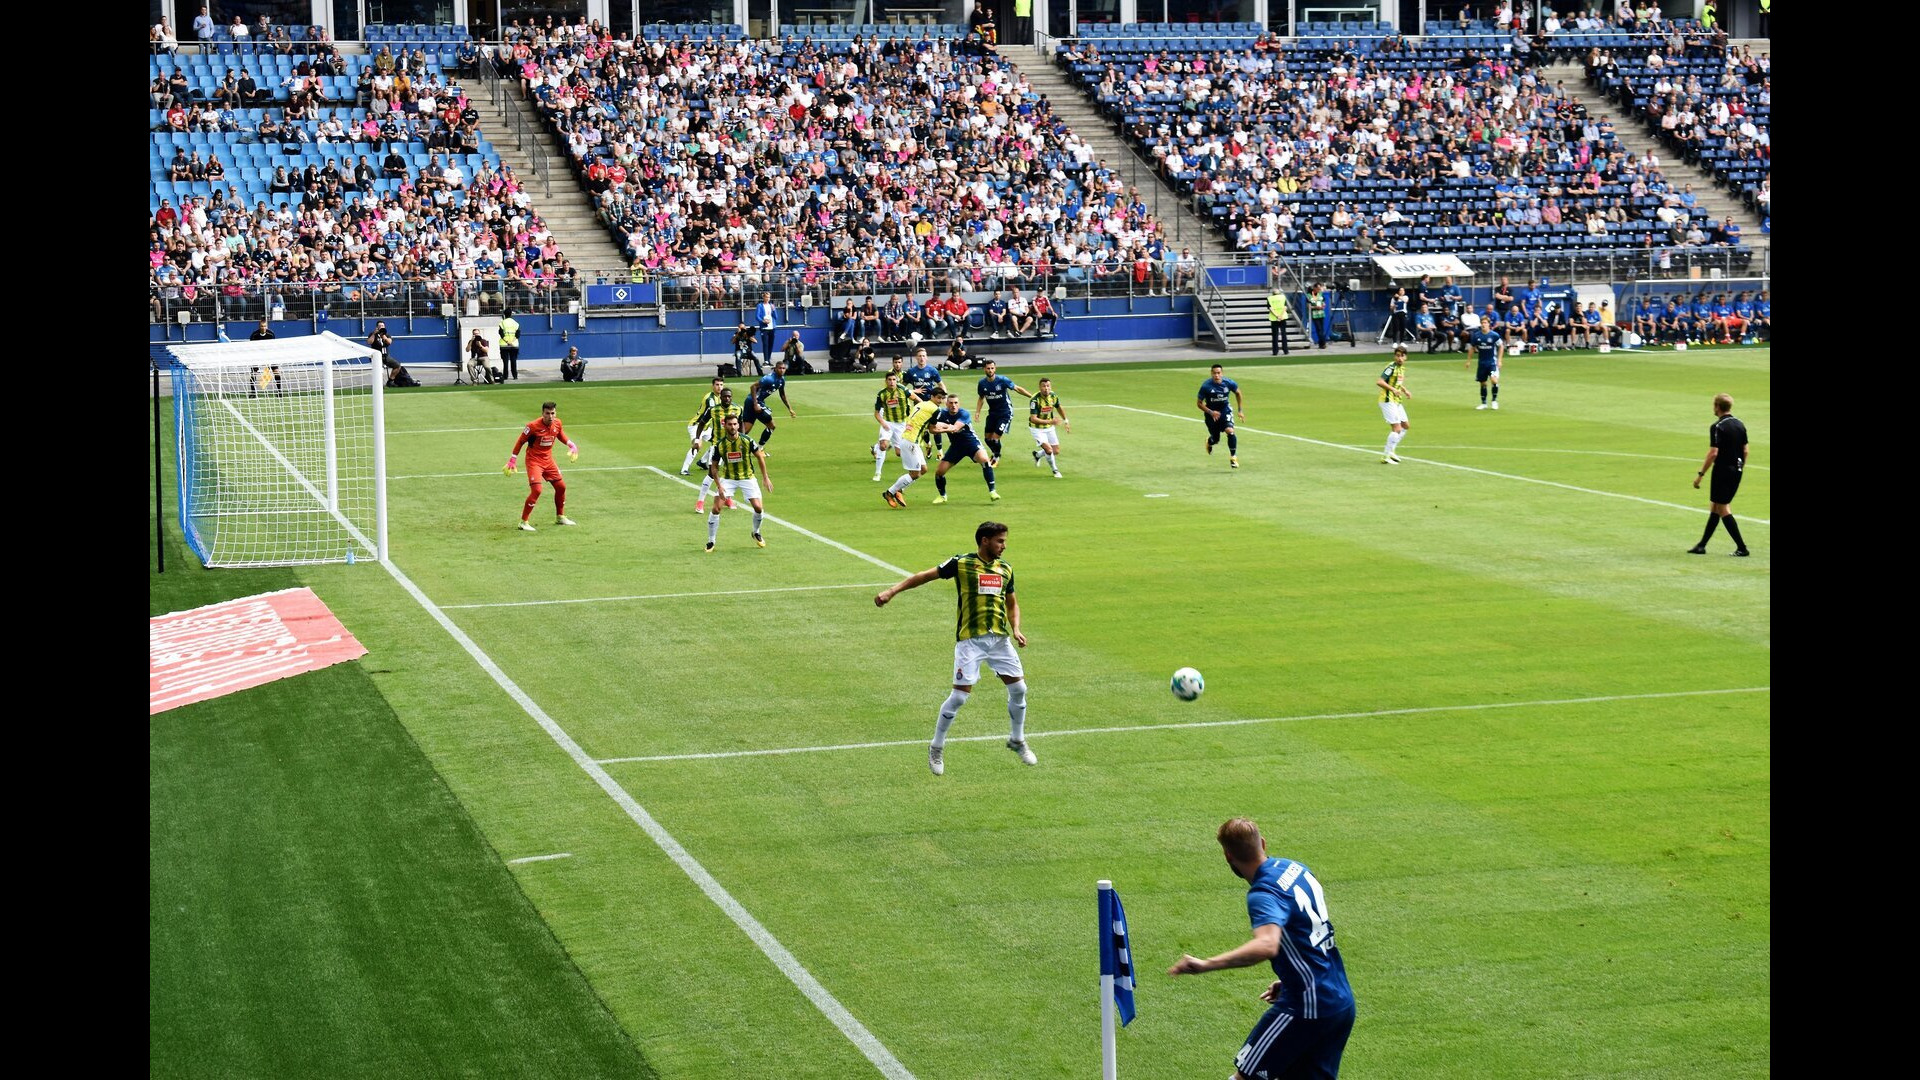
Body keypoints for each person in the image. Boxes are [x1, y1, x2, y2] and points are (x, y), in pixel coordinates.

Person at [1166, 818, 1356, 1080]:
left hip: (1305, 1007)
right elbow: (1310, 931)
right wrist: (1292, 974)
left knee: (1245, 1076)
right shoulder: (1296, 868)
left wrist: (1206, 964)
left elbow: (1266, 944)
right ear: (1263, 843)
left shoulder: (1263, 893)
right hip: (1340, 1001)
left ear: (1227, 856)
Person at [873, 520, 1036, 776]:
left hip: (999, 641)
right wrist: (892, 591)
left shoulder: (1005, 569)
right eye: (1000, 541)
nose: (1004, 546)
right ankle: (936, 746)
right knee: (960, 697)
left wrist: (1015, 628)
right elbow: (924, 577)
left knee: (1019, 689)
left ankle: (1017, 740)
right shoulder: (961, 563)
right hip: (970, 641)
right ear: (985, 540)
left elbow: (1012, 603)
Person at [1689, 393, 1751, 556]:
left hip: (1722, 471)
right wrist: (1739, 468)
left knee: (1722, 508)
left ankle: (1742, 548)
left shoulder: (1718, 427)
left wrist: (1700, 474)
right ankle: (1701, 545)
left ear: (1717, 407)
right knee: (1716, 506)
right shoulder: (1740, 424)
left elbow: (1713, 453)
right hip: (1737, 470)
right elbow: (1745, 450)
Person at [505, 401, 578, 531]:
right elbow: (520, 441)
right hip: (534, 461)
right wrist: (513, 459)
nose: (550, 416)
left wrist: (571, 444)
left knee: (561, 487)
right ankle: (523, 521)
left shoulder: (557, 423)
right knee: (537, 490)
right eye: (547, 413)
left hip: (548, 461)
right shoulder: (532, 426)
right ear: (542, 413)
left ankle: (560, 517)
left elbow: (559, 434)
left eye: (553, 413)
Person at [703, 415, 772, 552]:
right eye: (730, 424)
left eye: (735, 424)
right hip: (728, 479)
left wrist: (765, 477)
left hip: (747, 477)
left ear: (738, 425)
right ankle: (711, 541)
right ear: (725, 426)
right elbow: (714, 467)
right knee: (716, 509)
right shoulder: (720, 445)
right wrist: (719, 486)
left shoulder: (747, 441)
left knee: (758, 508)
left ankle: (756, 532)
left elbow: (759, 456)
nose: (733, 427)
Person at [928, 391, 1001, 503]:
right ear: (946, 404)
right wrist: (939, 426)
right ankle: (942, 496)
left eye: (956, 403)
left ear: (959, 404)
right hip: (956, 447)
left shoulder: (964, 413)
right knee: (939, 472)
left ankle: (992, 491)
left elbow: (955, 428)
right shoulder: (942, 414)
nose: (953, 405)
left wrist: (942, 426)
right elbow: (932, 429)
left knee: (985, 460)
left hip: (971, 443)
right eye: (951, 403)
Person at [881, 391, 943, 508]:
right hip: (911, 442)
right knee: (915, 473)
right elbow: (932, 429)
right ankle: (889, 493)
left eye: (942, 398)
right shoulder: (935, 409)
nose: (940, 401)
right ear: (932, 397)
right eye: (938, 398)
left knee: (923, 469)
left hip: (909, 439)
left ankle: (899, 489)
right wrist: (949, 429)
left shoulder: (921, 404)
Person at [693, 387, 745, 513]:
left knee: (730, 473)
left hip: (732, 446)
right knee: (712, 473)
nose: (727, 398)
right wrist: (696, 440)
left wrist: (742, 439)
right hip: (717, 446)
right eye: (724, 396)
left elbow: (742, 423)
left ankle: (727, 498)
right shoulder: (713, 410)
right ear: (720, 397)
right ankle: (700, 502)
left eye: (729, 396)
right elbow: (701, 423)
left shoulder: (738, 409)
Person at [975, 360, 1035, 467]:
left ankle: (996, 457)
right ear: (984, 369)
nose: (990, 370)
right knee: (987, 439)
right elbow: (981, 398)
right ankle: (995, 454)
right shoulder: (982, 383)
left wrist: (1032, 397)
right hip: (992, 413)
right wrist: (977, 412)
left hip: (1005, 413)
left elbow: (1017, 388)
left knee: (994, 438)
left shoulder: (1002, 380)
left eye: (992, 368)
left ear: (995, 368)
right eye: (988, 368)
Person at [741, 360, 795, 452]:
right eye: (780, 368)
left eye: (783, 368)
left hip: (755, 402)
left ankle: (734, 446)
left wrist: (790, 408)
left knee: (746, 429)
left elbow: (782, 395)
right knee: (771, 425)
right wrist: (755, 404)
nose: (782, 370)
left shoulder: (782, 380)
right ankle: (760, 448)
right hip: (753, 402)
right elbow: (753, 387)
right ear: (775, 369)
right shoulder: (768, 379)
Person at [872, 370, 916, 482]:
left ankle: (880, 446)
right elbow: (876, 413)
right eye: (889, 380)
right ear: (886, 381)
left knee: (899, 453)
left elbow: (915, 398)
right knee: (883, 446)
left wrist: (923, 406)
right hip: (888, 422)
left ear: (896, 380)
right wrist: (883, 423)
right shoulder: (881, 394)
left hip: (901, 424)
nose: (892, 382)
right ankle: (878, 473)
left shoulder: (903, 390)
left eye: (894, 380)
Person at [1198, 364, 1245, 468]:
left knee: (1230, 431)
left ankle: (1233, 457)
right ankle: (1209, 442)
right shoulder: (1206, 386)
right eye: (1214, 373)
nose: (1216, 375)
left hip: (1225, 411)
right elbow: (1199, 403)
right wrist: (1211, 412)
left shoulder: (1228, 383)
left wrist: (1240, 410)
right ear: (1211, 373)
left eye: (1218, 373)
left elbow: (1238, 393)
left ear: (1222, 373)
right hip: (1211, 414)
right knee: (1216, 439)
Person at [682, 376, 727, 476]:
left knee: (719, 442)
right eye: (717, 385)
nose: (719, 387)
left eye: (721, 385)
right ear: (712, 386)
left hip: (706, 428)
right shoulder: (710, 399)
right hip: (696, 426)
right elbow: (714, 412)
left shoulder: (719, 397)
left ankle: (703, 461)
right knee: (698, 445)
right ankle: (684, 469)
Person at [1026, 377, 1070, 478]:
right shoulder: (1035, 400)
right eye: (1044, 386)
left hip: (1049, 427)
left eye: (1048, 386)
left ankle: (1037, 455)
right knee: (1049, 450)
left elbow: (1059, 407)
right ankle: (1055, 470)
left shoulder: (1053, 396)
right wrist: (1051, 421)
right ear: (1040, 387)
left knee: (1056, 451)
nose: (1046, 388)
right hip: (1037, 429)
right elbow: (1033, 419)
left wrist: (1066, 421)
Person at [1376, 346, 1413, 464]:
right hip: (1387, 400)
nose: (1400, 358)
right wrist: (1393, 390)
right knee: (1397, 428)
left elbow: (1397, 382)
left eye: (1402, 356)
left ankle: (1391, 451)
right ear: (1394, 356)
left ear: (1406, 357)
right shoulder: (1391, 367)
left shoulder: (1401, 368)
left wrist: (1404, 390)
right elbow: (1380, 381)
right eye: (1397, 355)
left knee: (1405, 425)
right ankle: (1385, 456)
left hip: (1396, 400)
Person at [1470, 316, 1504, 409]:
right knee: (1483, 383)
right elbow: (1472, 348)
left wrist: (1499, 360)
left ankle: (1494, 400)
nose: (1483, 325)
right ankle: (1484, 403)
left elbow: (1501, 346)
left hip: (1492, 362)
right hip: (1481, 363)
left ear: (1489, 324)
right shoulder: (1476, 336)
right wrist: (1468, 361)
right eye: (1482, 323)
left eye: (1485, 323)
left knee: (1494, 380)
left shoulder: (1494, 335)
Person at [247, 318, 282, 394]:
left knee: (276, 372)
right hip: (257, 355)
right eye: (262, 326)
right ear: (259, 327)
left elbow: (272, 347)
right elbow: (252, 348)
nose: (263, 328)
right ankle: (253, 392)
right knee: (253, 373)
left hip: (269, 355)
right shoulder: (254, 335)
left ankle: (279, 391)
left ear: (267, 327)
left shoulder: (271, 334)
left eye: (265, 326)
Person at [755, 291, 779, 372]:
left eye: (768, 297)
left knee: (771, 344)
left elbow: (776, 317)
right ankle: (765, 360)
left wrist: (774, 310)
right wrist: (763, 321)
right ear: (763, 297)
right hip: (764, 328)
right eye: (766, 297)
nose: (767, 299)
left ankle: (768, 359)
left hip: (772, 327)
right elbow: (757, 316)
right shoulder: (760, 306)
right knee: (765, 344)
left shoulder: (772, 305)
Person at [1267, 285, 1292, 355]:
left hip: (1274, 318)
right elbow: (1285, 307)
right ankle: (1285, 350)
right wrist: (1280, 315)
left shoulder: (1270, 298)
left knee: (1275, 335)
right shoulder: (1283, 297)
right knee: (1283, 334)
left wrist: (1277, 316)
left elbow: (1270, 308)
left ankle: (1275, 351)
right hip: (1283, 317)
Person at [497, 310, 521, 380]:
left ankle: (505, 376)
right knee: (513, 360)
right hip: (514, 345)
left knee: (505, 361)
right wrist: (512, 341)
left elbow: (501, 334)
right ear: (511, 314)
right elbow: (518, 334)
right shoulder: (516, 323)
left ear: (504, 314)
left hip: (504, 345)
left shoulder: (502, 323)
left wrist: (507, 341)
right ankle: (515, 376)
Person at [1305, 283, 1330, 348]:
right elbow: (1308, 306)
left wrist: (1323, 306)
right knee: (1319, 329)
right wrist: (1316, 307)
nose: (1319, 290)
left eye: (1320, 289)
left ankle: (1321, 343)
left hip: (1321, 314)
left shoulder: (1320, 294)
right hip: (1315, 315)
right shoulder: (1309, 295)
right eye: (1318, 288)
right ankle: (1323, 343)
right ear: (1314, 288)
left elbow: (1324, 302)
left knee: (1322, 329)